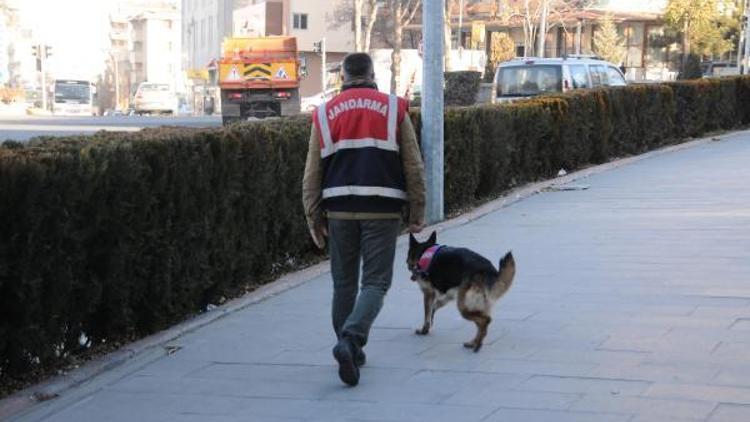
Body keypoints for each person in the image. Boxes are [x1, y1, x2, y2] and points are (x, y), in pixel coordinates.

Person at [302, 53, 426, 386]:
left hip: (338, 209)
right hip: (382, 210)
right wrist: (418, 211)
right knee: (375, 283)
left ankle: (351, 350)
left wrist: (313, 215)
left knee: (343, 283)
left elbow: (312, 171)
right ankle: (351, 339)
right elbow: (413, 165)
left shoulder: (324, 113)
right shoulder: (394, 108)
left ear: (343, 76)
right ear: (372, 74)